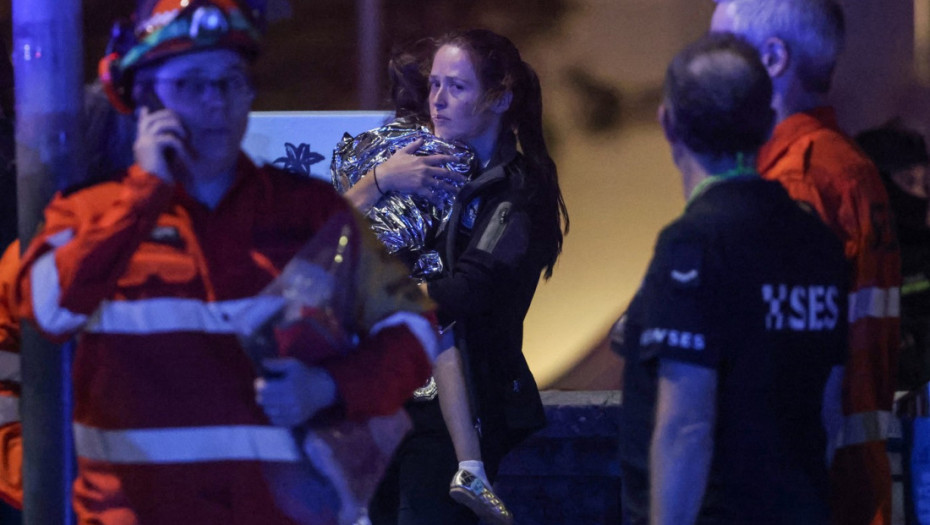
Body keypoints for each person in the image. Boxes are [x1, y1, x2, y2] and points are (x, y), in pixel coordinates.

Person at [13, 1, 438, 523]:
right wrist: (145, 196)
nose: (216, 102)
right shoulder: (87, 217)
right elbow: (46, 309)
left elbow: (413, 329)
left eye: (231, 81)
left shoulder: (308, 212)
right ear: (145, 101)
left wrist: (328, 387)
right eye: (192, 84)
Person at [618, 33, 848, 524]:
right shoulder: (819, 244)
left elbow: (686, 427)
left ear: (667, 122)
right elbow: (829, 414)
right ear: (768, 124)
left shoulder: (693, 244)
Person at [363, 29, 569, 525]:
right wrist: (380, 181)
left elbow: (467, 291)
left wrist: (371, 298)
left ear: (500, 98)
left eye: (457, 87)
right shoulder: (412, 163)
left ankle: (472, 467)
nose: (438, 100)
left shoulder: (519, 192)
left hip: (456, 410)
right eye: (433, 85)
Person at [710, 2, 902, 523]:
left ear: (773, 58)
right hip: (846, 485)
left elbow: (790, 369)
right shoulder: (845, 166)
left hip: (798, 491)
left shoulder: (796, 180)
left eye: (721, 47)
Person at [856, 123, 930, 392]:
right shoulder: (859, 264)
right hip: (884, 417)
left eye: (926, 183)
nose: (921, 195)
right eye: (909, 182)